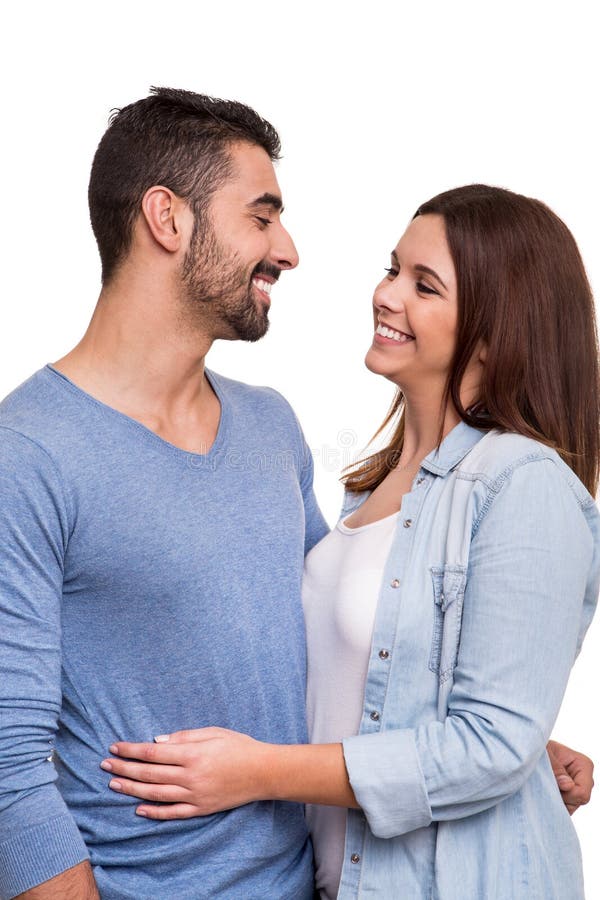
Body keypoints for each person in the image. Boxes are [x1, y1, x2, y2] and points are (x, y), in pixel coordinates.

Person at [0, 88, 592, 898]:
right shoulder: (29, 452)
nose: (289, 247)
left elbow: (334, 628)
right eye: (262, 214)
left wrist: (507, 743)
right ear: (167, 220)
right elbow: (8, 764)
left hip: (320, 880)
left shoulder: (268, 425)